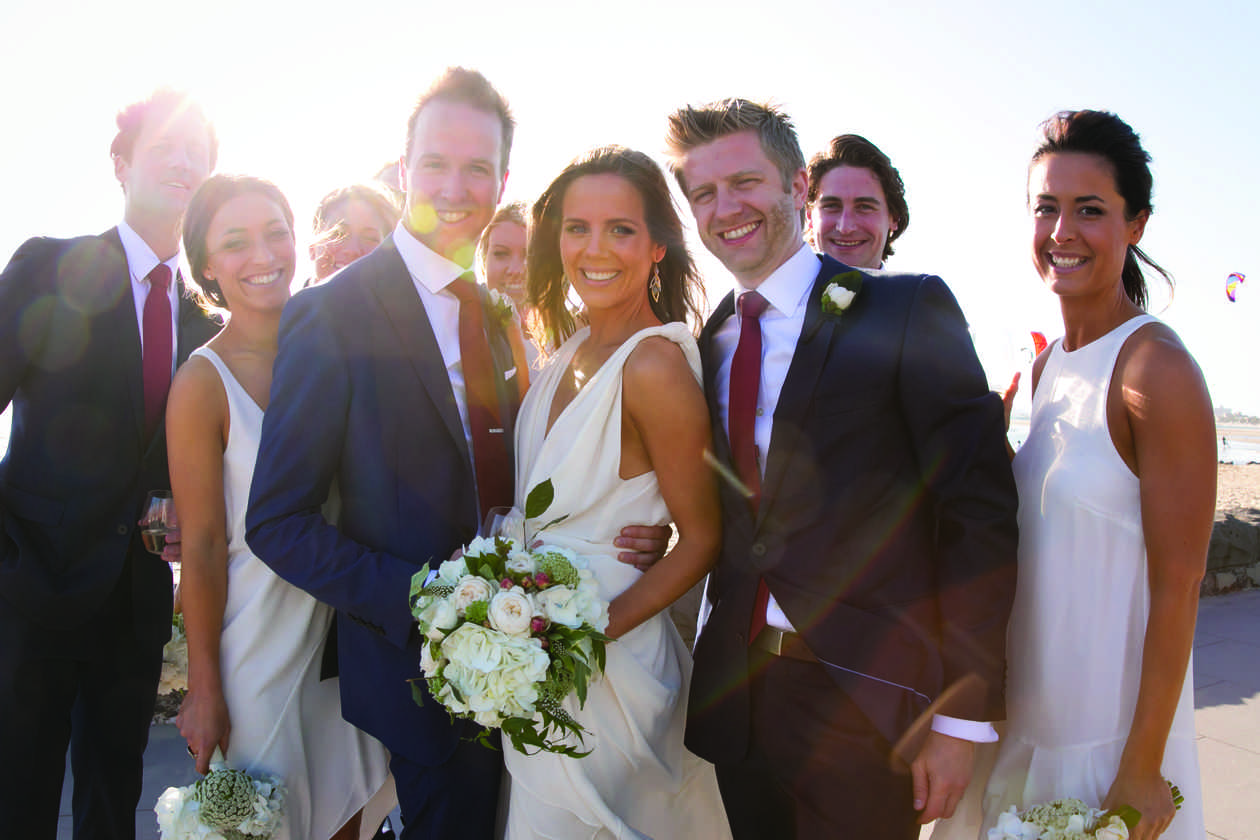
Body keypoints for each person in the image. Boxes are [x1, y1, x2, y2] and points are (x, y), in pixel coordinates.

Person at [244, 68, 669, 839]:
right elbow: (277, 521)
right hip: (417, 672)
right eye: (436, 163)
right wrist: (430, 605)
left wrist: (637, 525)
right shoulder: (330, 315)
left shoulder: (498, 316)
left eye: (478, 168)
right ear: (405, 170)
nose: (456, 185)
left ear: (503, 179)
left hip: (536, 659)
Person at [663, 98, 1019, 840]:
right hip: (740, 699)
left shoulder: (904, 308)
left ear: (796, 186)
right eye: (703, 193)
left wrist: (962, 713)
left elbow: (978, 515)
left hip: (867, 700)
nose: (726, 208)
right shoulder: (712, 339)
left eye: (745, 183)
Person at [976, 110, 1212, 840]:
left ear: (1135, 224)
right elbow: (1059, 523)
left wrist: (1140, 768)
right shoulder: (1045, 369)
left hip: (1107, 745)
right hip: (1027, 721)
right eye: (1046, 207)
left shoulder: (1155, 369)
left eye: (1090, 210)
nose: (1062, 231)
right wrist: (993, 447)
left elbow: (1179, 587)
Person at [0, 88, 221, 839]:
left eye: (200, 154)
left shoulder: (207, 327)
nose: (185, 163)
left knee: (111, 803)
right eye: (166, 148)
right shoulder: (48, 267)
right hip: (28, 587)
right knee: (17, 797)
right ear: (121, 166)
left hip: (133, 602)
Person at [501, 146, 732, 838]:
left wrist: (584, 638)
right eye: (577, 228)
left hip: (604, 664)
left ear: (658, 246)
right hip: (531, 653)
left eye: (620, 230)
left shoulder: (655, 363)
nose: (595, 249)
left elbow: (703, 538)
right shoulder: (568, 349)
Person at [168, 174, 394, 840]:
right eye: (235, 243)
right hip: (255, 652)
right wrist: (204, 686)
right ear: (206, 264)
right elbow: (204, 546)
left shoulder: (342, 348)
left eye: (275, 234)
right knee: (266, 824)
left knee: (351, 818)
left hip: (349, 638)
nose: (262, 256)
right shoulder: (201, 382)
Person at [805, 133, 909, 270]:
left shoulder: (919, 291)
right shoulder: (772, 289)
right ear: (809, 216)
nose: (845, 228)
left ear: (894, 217)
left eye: (864, 207)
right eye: (832, 206)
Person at [307, 182, 401, 286]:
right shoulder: (291, 302)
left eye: (370, 238)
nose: (352, 250)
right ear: (313, 247)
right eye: (338, 233)